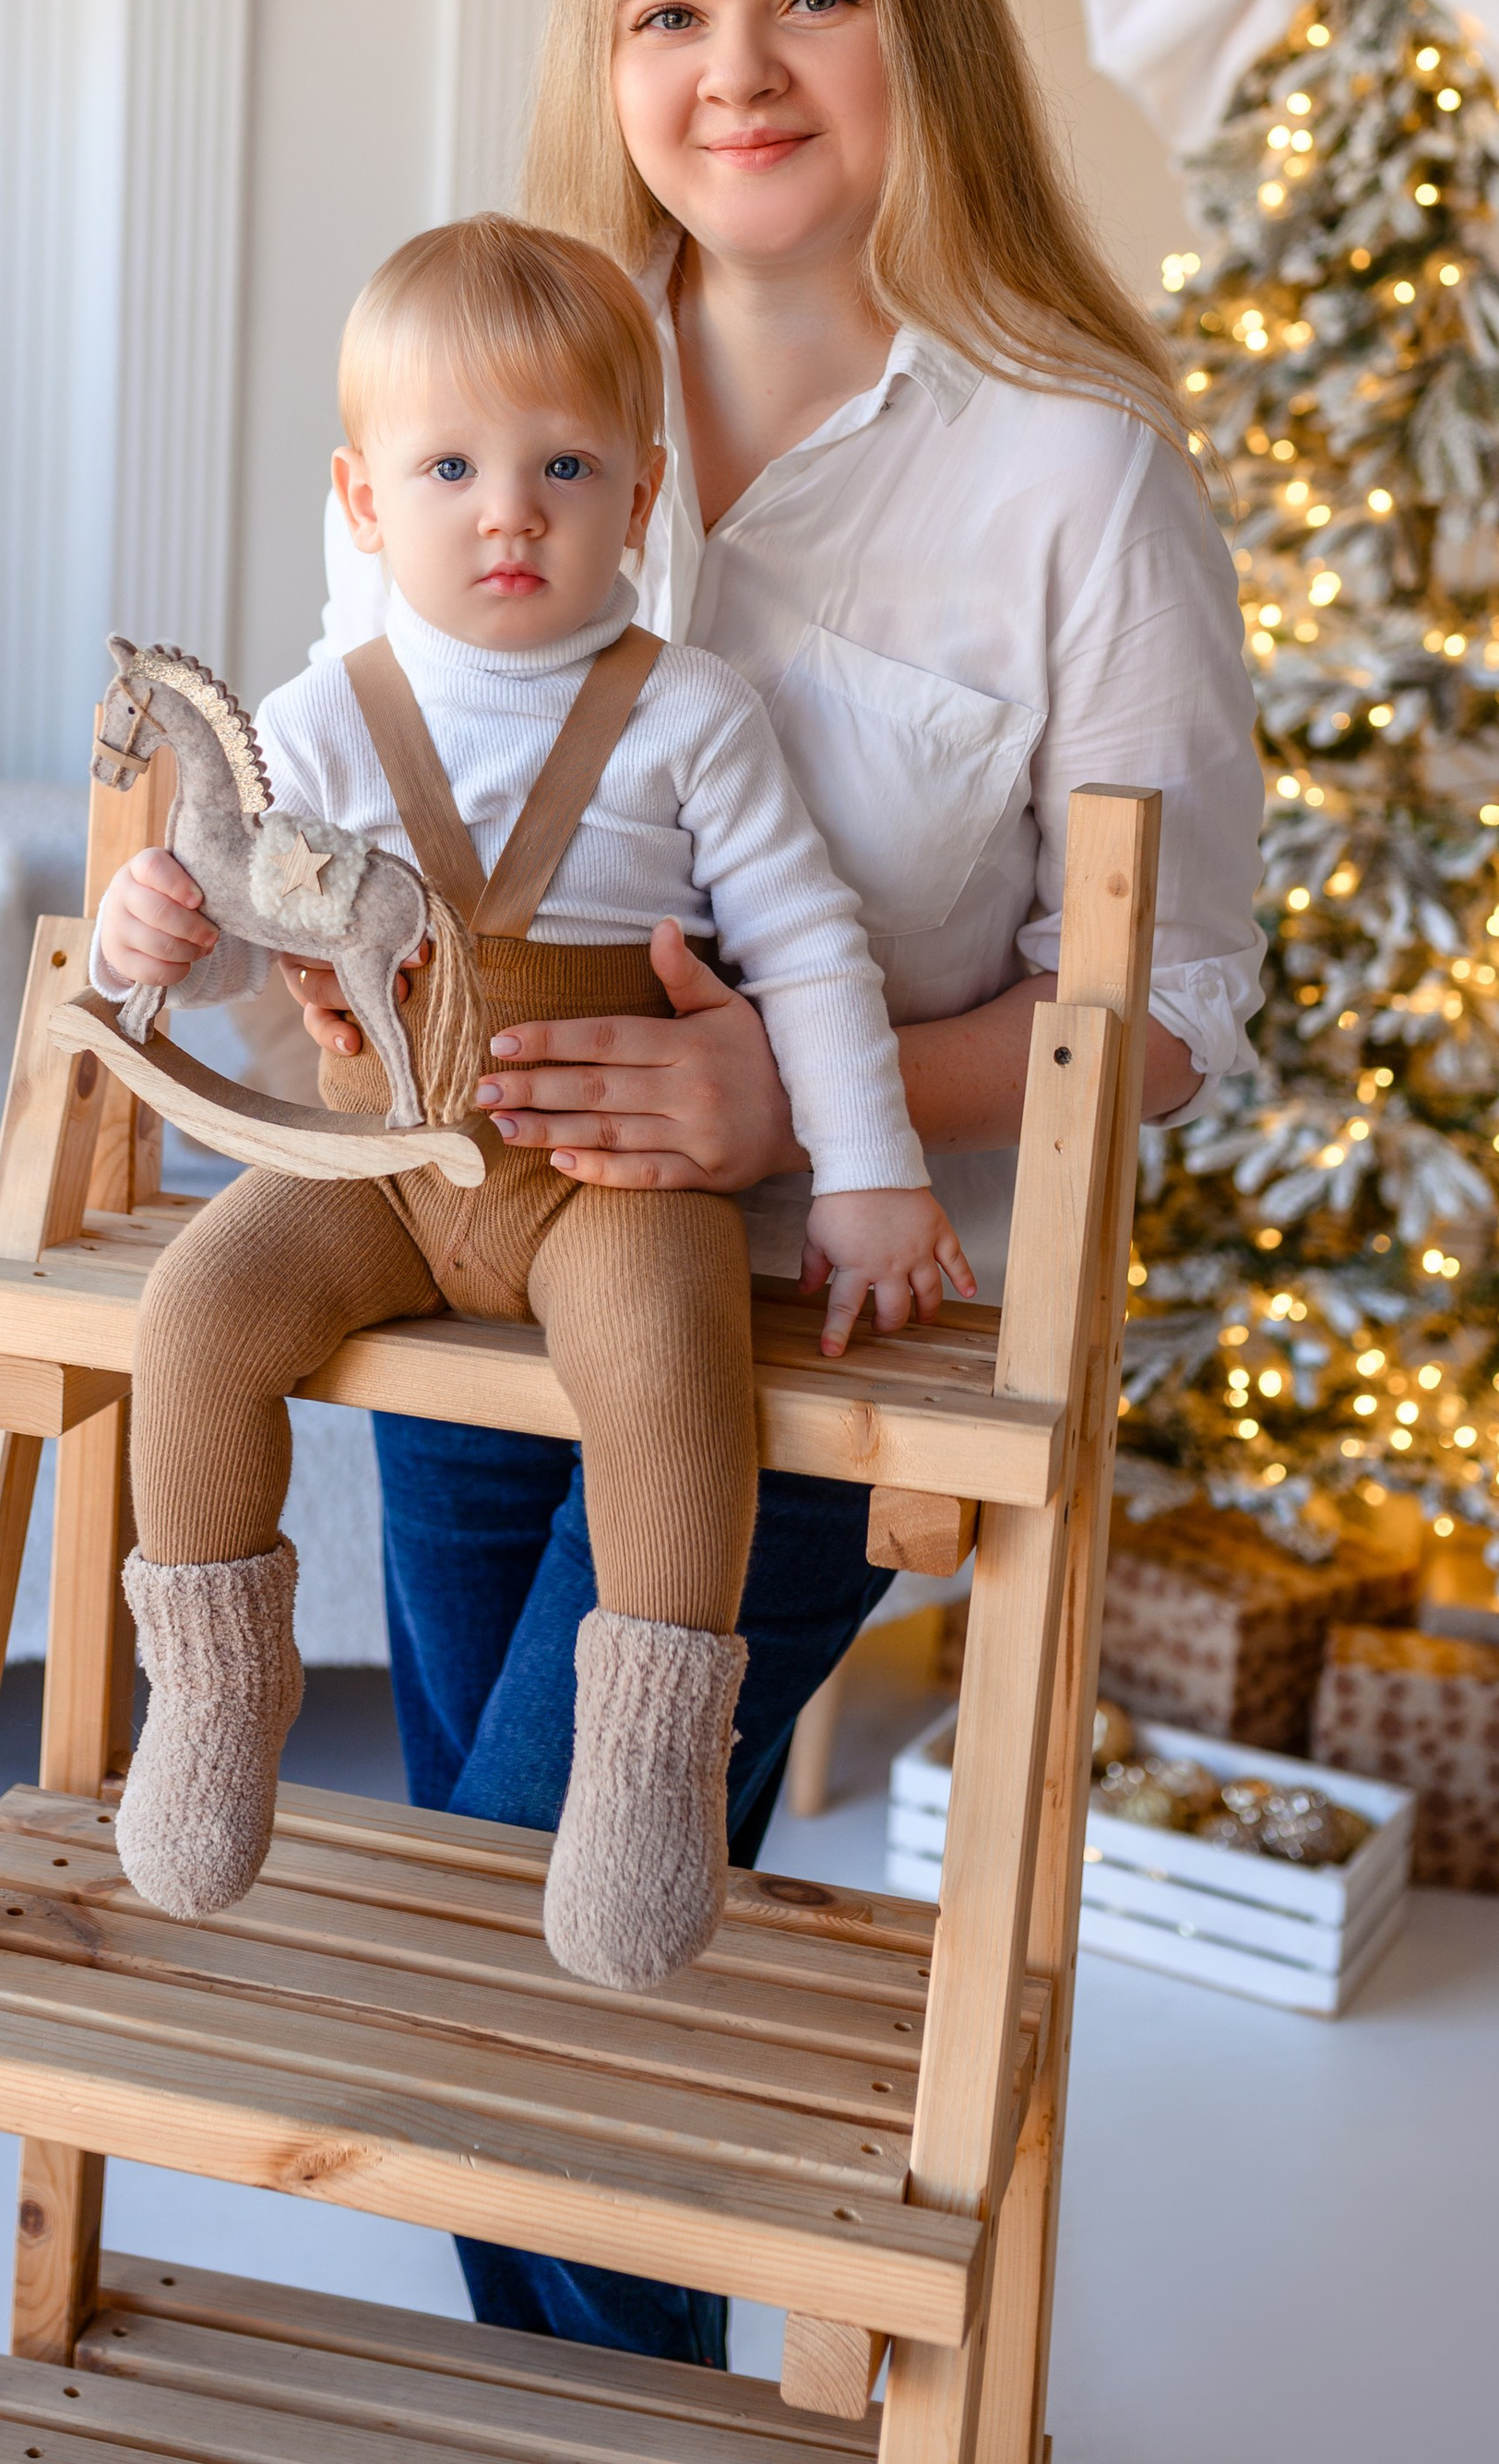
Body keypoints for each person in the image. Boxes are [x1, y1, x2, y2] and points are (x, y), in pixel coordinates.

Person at [120, 0, 1264, 2363]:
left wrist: (795, 1099)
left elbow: (1181, 1015)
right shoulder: (503, 366)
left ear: (923, 34)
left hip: (806, 1316)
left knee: (567, 1847)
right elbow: (348, 761)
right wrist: (292, 948)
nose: (732, 72)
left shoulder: (1079, 480)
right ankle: (591, 2406)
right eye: (668, 14)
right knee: (488, 1894)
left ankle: (620, 2418)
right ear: (606, 54)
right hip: (445, 1238)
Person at [95, 215, 969, 1991]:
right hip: (378, 1162)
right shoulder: (319, 717)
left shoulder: (691, 717)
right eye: (452, 467)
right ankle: (212, 1698)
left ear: (640, 495)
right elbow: (218, 925)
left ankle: (646, 1773)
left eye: (565, 465)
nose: (512, 510)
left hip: (605, 1177)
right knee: (191, 1316)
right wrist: (151, 933)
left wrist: (870, 1178)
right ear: (362, 500)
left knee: (674, 1380)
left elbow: (808, 952)